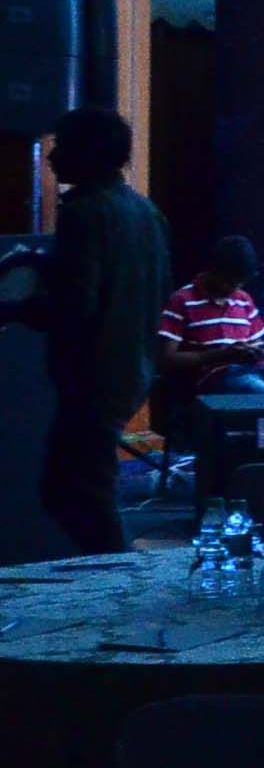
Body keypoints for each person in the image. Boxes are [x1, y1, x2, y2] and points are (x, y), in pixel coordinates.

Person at [24, 107, 168, 553]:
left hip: (92, 375)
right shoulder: (147, 212)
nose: (52, 157)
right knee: (80, 489)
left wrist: (21, 308)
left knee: (77, 494)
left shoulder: (84, 214)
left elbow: (75, 306)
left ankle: (119, 579)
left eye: (63, 146)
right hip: (132, 371)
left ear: (89, 152)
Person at [157, 234, 264, 398]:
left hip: (253, 373)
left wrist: (255, 352)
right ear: (213, 270)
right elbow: (166, 360)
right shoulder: (182, 300)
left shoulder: (243, 299)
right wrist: (222, 355)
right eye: (229, 281)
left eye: (241, 282)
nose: (235, 288)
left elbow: (258, 344)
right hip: (213, 380)